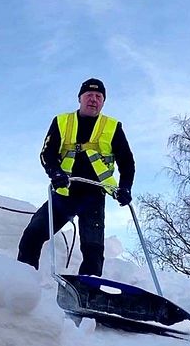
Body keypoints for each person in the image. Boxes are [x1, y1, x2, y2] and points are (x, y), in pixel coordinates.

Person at [17, 78, 135, 276]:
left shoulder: (113, 127)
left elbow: (127, 162)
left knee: (93, 250)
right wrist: (55, 172)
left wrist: (125, 187)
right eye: (89, 95)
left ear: (103, 102)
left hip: (94, 196)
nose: (93, 100)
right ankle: (22, 279)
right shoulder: (62, 122)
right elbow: (47, 154)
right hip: (64, 193)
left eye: (99, 97)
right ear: (80, 98)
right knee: (33, 234)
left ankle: (87, 294)